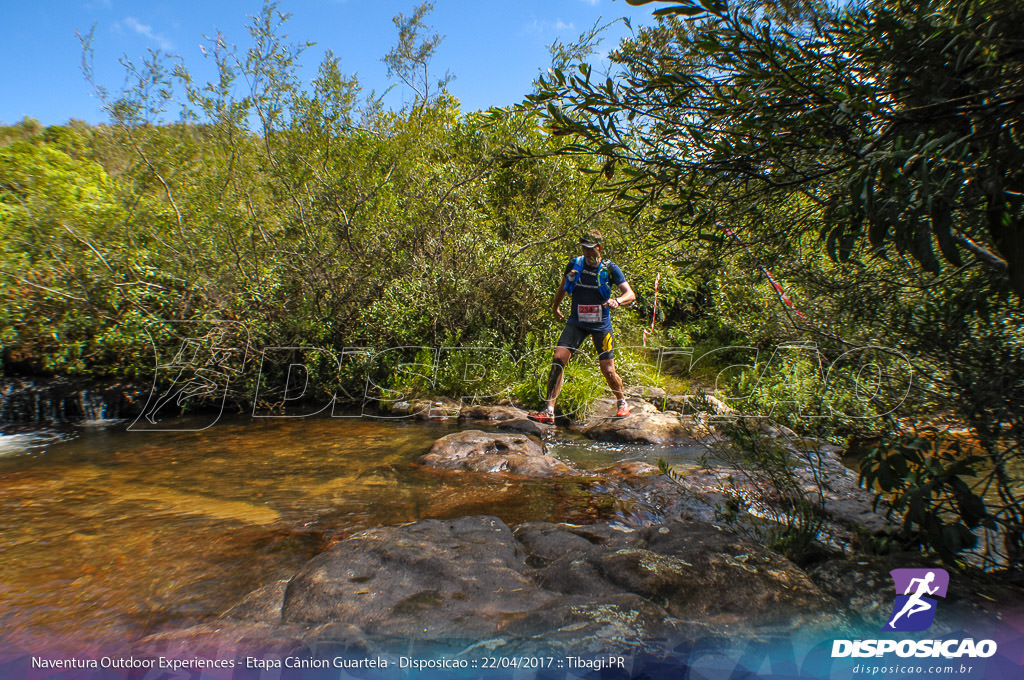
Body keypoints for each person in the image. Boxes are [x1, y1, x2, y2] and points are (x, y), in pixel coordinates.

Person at [528, 231, 636, 424]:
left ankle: (622, 402)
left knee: (608, 369)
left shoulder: (610, 269)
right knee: (558, 359)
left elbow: (630, 294)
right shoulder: (575, 264)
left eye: (590, 248)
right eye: (584, 248)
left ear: (599, 248)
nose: (586, 252)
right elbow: (563, 287)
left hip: (601, 324)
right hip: (576, 322)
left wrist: (618, 301)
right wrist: (555, 306)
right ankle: (549, 410)